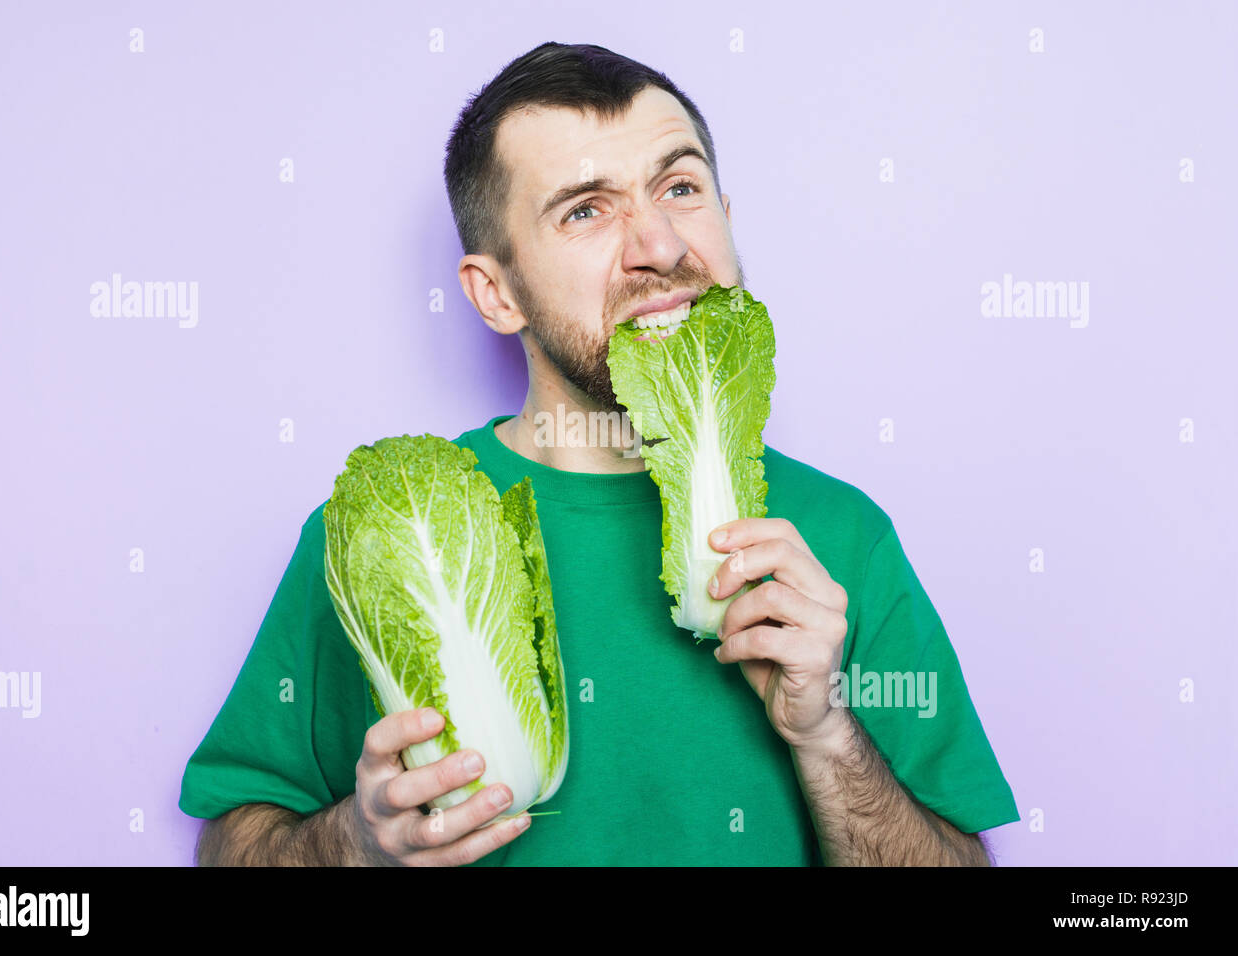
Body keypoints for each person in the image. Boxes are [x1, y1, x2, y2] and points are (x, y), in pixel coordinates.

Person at [179, 41, 1019, 866]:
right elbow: (230, 847)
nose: (658, 245)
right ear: (495, 292)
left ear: (727, 216)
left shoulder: (842, 539)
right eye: (585, 209)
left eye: (680, 187)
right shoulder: (387, 533)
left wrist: (828, 734)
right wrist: (356, 846)